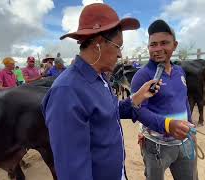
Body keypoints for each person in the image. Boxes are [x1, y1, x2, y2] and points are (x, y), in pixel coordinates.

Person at [42, 3, 188, 180]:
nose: (120, 55)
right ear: (98, 44)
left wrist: (136, 98)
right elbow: (73, 171)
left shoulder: (100, 78)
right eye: (118, 46)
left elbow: (109, 112)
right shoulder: (66, 92)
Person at [131, 19, 197, 180]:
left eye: (164, 43)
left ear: (174, 45)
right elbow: (139, 111)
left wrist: (191, 127)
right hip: (156, 146)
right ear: (148, 48)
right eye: (153, 45)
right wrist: (168, 125)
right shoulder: (143, 76)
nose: (158, 49)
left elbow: (184, 101)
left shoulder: (179, 71)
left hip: (184, 141)